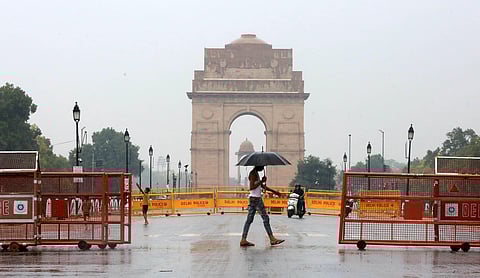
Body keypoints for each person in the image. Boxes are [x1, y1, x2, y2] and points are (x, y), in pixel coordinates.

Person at [240, 166, 285, 247]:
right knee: (265, 218)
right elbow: (252, 187)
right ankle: (272, 239)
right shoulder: (253, 174)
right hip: (256, 199)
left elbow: (262, 187)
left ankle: (243, 239)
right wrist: (261, 181)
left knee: (249, 220)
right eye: (262, 166)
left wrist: (274, 191)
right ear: (258, 165)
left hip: (253, 199)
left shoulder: (255, 173)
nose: (263, 167)